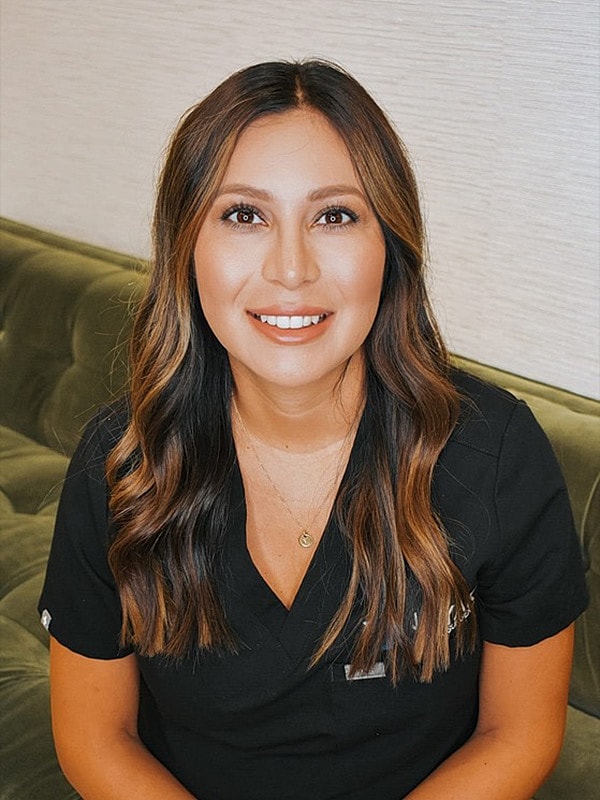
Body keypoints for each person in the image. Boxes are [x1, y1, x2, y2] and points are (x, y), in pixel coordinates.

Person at [39, 60, 588, 800]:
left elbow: (519, 733)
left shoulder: (496, 451)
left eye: (334, 215)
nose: (291, 269)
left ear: (389, 245)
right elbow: (94, 736)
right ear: (185, 246)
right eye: (244, 215)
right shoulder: (120, 459)